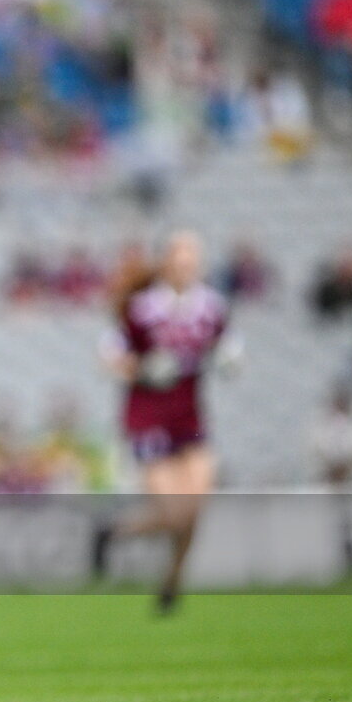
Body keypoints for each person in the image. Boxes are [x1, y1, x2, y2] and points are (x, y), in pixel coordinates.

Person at [95, 231, 233, 612]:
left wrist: (230, 359)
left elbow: (226, 347)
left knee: (196, 507)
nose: (187, 265)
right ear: (167, 262)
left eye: (193, 258)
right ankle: (114, 532)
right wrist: (143, 368)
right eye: (180, 257)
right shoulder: (141, 308)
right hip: (148, 417)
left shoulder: (211, 306)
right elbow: (110, 357)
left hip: (189, 417)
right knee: (175, 513)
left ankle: (172, 581)